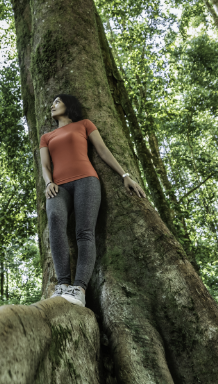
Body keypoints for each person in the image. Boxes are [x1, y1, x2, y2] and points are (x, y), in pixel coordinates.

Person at [39, 94, 146, 307]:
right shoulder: (46, 137)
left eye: (57, 102)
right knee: (55, 220)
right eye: (52, 103)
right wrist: (48, 182)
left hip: (86, 181)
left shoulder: (84, 125)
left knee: (85, 232)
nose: (52, 105)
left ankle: (79, 289)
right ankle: (62, 285)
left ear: (69, 104)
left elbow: (103, 150)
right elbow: (45, 165)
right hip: (58, 187)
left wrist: (125, 176)